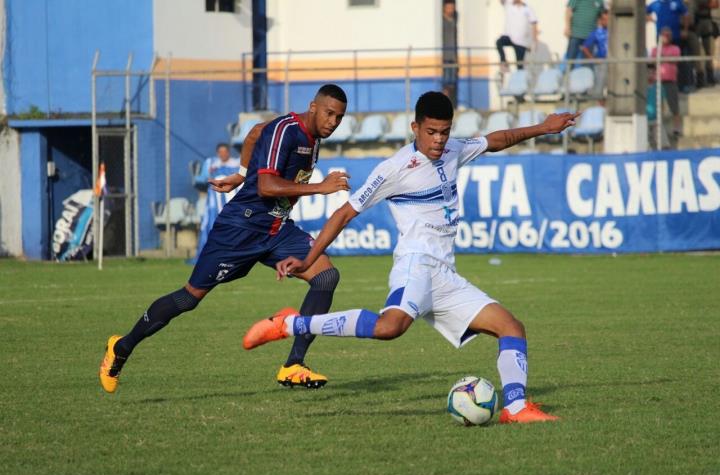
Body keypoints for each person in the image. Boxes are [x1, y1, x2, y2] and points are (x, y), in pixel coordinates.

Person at [243, 91, 579, 424]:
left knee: (512, 328)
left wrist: (544, 128)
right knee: (390, 328)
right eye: (431, 132)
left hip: (445, 274)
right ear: (415, 127)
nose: (438, 140)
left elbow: (498, 139)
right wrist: (307, 259)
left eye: (444, 132)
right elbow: (343, 214)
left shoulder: (453, 150)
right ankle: (289, 324)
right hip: (415, 264)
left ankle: (516, 409)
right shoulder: (395, 168)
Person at [99, 84, 352, 393]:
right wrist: (319, 187)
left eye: (339, 117)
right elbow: (267, 187)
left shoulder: (312, 140)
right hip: (240, 229)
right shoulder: (287, 130)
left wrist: (241, 173)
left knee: (326, 276)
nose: (333, 122)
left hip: (277, 229)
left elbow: (255, 132)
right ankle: (122, 347)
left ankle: (293, 365)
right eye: (329, 113)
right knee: (189, 298)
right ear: (313, 106)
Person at [191, 143, 242, 263]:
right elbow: (203, 179)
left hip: (233, 204)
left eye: (225, 151)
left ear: (229, 152)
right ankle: (212, 254)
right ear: (217, 153)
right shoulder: (211, 164)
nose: (223, 154)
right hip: (215, 204)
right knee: (212, 226)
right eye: (220, 152)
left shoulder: (237, 163)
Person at [646, 0, 692, 91]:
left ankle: (682, 85)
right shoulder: (656, 4)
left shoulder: (677, 2)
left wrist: (685, 30)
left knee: (679, 61)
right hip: (661, 38)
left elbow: (686, 14)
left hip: (675, 37)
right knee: (660, 61)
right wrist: (651, 19)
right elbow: (643, 12)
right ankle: (660, 84)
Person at [650, 27, 683, 138]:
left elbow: (675, 60)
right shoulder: (655, 50)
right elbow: (653, 62)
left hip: (670, 81)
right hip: (657, 81)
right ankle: (659, 129)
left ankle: (677, 128)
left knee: (674, 106)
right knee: (658, 106)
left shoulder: (675, 48)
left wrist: (663, 58)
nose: (666, 37)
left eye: (668, 35)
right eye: (664, 35)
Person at [496, 0, 538, 72]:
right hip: (509, 37)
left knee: (520, 65)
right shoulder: (508, 4)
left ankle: (520, 80)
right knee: (499, 42)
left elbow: (534, 25)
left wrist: (534, 41)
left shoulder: (528, 8)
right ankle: (503, 61)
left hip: (522, 41)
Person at [565, 0, 604, 69]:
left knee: (587, 64)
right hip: (576, 34)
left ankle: (586, 79)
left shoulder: (600, 1)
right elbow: (568, 10)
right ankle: (567, 78)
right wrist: (567, 27)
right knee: (570, 61)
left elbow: (601, 17)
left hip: (590, 37)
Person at [580, 9, 609, 100]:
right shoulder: (596, 33)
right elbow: (584, 47)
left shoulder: (614, 31)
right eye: (605, 19)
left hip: (614, 60)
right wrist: (593, 59)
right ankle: (597, 103)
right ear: (600, 20)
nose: (607, 21)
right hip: (602, 61)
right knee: (599, 84)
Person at [441, 1, 459, 105]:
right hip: (445, 57)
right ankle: (444, 104)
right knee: (446, 83)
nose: (451, 10)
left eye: (452, 8)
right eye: (449, 8)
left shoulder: (454, 21)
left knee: (452, 83)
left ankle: (449, 103)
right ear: (444, 8)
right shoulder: (442, 22)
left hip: (453, 56)